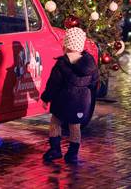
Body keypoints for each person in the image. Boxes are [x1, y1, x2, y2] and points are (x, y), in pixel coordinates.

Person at [41, 27, 99, 164]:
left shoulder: (62, 64)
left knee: (55, 122)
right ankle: (72, 154)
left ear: (66, 44)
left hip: (63, 99)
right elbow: (94, 82)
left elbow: (53, 84)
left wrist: (45, 98)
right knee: (75, 126)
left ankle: (55, 150)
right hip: (81, 101)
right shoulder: (90, 63)